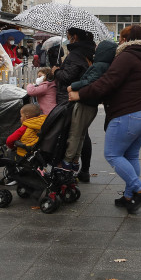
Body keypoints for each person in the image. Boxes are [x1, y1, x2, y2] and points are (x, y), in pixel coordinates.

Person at [70, 24, 141, 214]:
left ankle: (140, 190)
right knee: (130, 156)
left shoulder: (126, 56)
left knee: (112, 154)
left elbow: (107, 82)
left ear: (124, 40)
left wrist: (80, 94)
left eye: (120, 39)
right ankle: (129, 196)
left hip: (128, 114)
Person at [64, 39, 117, 171]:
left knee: (75, 133)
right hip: (91, 104)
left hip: (85, 103)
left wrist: (73, 86)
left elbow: (90, 81)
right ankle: (75, 160)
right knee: (81, 134)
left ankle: (68, 160)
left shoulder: (99, 66)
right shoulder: (106, 65)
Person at [53, 28, 96, 181]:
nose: (67, 39)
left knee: (74, 134)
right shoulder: (88, 51)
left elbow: (67, 76)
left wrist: (56, 71)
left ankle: (68, 166)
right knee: (82, 134)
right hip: (81, 97)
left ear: (74, 37)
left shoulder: (76, 54)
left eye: (69, 36)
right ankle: (83, 170)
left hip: (70, 98)